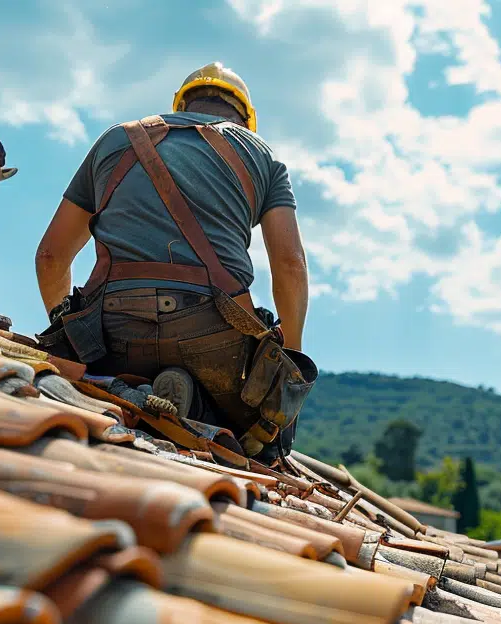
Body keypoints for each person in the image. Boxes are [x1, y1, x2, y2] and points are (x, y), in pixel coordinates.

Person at [34, 63, 313, 458]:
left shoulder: (115, 141)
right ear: (245, 120)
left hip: (114, 329)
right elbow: (290, 266)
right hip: (215, 334)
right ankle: (201, 414)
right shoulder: (261, 154)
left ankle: (126, 391)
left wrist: (72, 333)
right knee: (263, 436)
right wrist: (289, 361)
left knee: (93, 370)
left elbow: (50, 256)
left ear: (182, 105)